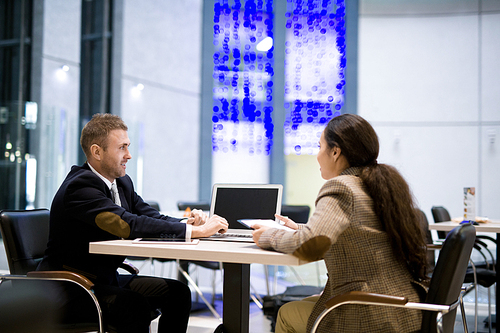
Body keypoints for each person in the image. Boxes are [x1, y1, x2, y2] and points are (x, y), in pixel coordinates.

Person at [37, 113, 229, 333]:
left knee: (177, 292)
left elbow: (149, 215)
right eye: (122, 148)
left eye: (128, 146)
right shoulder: (79, 187)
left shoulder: (121, 182)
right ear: (97, 152)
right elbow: (126, 225)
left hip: (104, 280)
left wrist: (189, 224)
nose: (129, 155)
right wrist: (196, 232)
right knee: (133, 305)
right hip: (71, 288)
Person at [252, 114, 428, 333]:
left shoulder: (342, 187)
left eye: (319, 147)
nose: (317, 156)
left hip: (370, 313)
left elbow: (310, 244)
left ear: (335, 152)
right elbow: (358, 233)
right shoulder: (375, 185)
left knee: (286, 314)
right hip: (404, 306)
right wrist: (298, 229)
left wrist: (269, 236)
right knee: (305, 304)